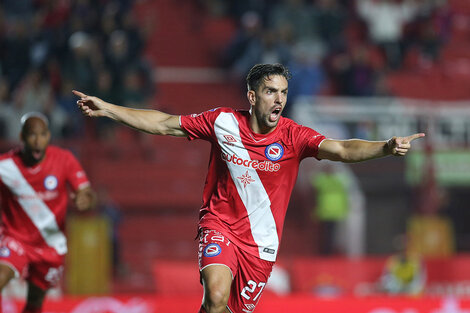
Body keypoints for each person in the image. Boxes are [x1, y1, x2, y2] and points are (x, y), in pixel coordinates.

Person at [74, 63, 425, 313]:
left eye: (283, 93)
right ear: (252, 96)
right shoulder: (223, 121)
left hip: (261, 244)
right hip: (220, 225)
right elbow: (166, 124)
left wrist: (385, 147)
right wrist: (109, 110)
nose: (278, 100)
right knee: (215, 296)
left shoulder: (294, 136)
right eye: (270, 91)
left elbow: (343, 148)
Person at [0, 112, 96, 313]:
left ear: (49, 136)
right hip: (15, 239)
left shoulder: (64, 160)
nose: (37, 141)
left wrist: (84, 200)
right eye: (32, 135)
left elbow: (86, 193)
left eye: (42, 135)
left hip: (50, 245)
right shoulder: (6, 166)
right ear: (21, 137)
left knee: (34, 303)